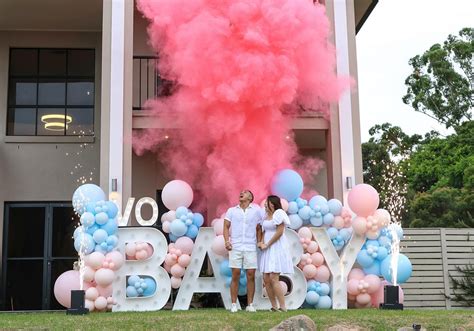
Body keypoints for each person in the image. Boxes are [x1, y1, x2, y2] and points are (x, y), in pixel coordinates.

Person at [223, 189, 264, 313]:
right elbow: (226, 226)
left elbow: (259, 228)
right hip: (235, 246)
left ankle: (250, 304)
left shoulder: (257, 211)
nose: (241, 193)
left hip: (250, 246)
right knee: (235, 274)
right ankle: (234, 304)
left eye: (245, 192)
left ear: (250, 197)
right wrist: (226, 241)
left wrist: (259, 241)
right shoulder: (232, 211)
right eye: (240, 192)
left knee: (250, 275)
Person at [258, 195, 293, 312]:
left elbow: (279, 232)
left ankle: (283, 306)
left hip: (276, 247)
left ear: (272, 203)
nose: (265, 204)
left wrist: (268, 244)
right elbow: (263, 231)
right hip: (266, 248)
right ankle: (274, 306)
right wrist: (261, 243)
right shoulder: (265, 216)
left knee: (274, 277)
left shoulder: (279, 213)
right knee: (266, 278)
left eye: (267, 202)